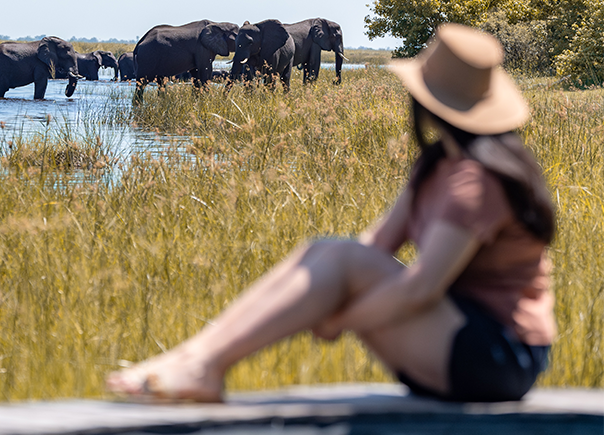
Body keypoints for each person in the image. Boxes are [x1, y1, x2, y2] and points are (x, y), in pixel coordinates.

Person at [107, 23, 556, 404]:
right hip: (451, 333)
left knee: (340, 258)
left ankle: (206, 364)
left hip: (500, 356)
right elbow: (373, 248)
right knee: (326, 250)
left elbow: (422, 287)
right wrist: (323, 292)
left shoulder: (477, 182)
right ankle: (196, 358)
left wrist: (338, 319)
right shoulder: (437, 165)